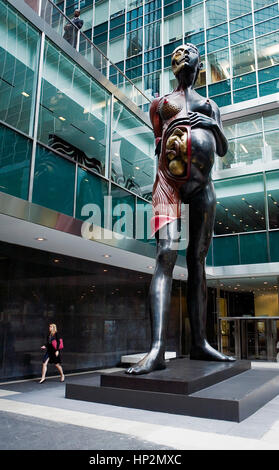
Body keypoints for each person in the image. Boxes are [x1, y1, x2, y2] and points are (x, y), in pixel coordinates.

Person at [127, 43, 235, 375]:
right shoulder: (160, 104)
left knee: (197, 261)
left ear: (199, 64)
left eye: (190, 52)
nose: (183, 55)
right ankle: (157, 348)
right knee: (164, 256)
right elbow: (158, 146)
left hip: (204, 187)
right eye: (178, 53)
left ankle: (200, 343)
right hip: (167, 185)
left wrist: (207, 122)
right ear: (172, 65)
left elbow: (222, 147)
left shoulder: (209, 104)